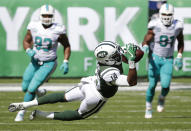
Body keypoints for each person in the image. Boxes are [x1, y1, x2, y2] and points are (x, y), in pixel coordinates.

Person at [8, 41, 137, 121]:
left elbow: (120, 55)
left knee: (63, 96)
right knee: (79, 114)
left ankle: (26, 104)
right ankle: (44, 115)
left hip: (90, 84)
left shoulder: (103, 58)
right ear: (108, 58)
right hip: (97, 96)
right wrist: (132, 62)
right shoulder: (110, 73)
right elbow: (131, 82)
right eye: (115, 54)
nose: (119, 54)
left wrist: (133, 52)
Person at [14, 4, 71, 121]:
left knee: (31, 89)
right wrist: (28, 49)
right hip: (34, 61)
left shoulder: (58, 29)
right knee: (25, 87)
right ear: (40, 16)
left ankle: (21, 112)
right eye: (44, 15)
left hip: (48, 63)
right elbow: (26, 40)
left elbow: (66, 45)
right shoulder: (34, 26)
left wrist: (66, 61)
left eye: (49, 15)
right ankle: (39, 92)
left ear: (53, 16)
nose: (46, 17)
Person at [141, 3, 184, 119]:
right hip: (155, 58)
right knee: (152, 85)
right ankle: (148, 107)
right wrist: (145, 45)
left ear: (173, 15)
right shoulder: (155, 24)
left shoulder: (177, 26)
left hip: (168, 59)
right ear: (160, 14)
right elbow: (147, 39)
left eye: (169, 14)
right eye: (164, 14)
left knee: (165, 85)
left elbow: (180, 41)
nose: (166, 16)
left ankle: (162, 98)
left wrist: (179, 56)